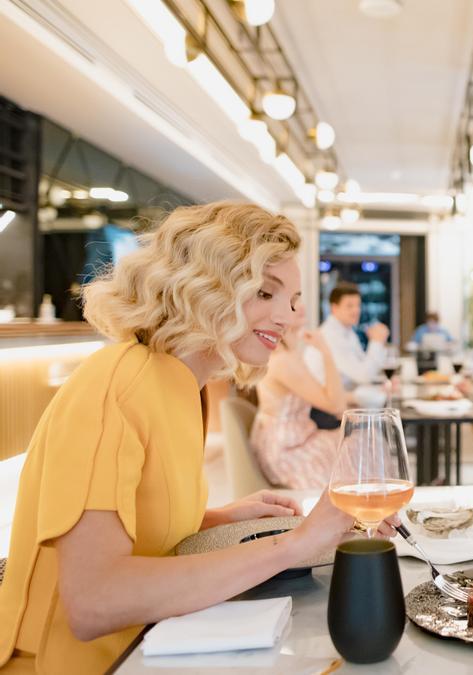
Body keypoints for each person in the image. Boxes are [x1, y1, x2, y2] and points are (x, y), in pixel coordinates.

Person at [0, 203, 401, 674]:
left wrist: (215, 518)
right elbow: (93, 601)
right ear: (207, 287)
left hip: (152, 647)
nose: (289, 317)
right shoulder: (118, 388)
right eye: (265, 293)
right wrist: (294, 546)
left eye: (291, 300)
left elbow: (132, 524)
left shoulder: (178, 385)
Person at [252, 323, 348, 488]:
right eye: (294, 303)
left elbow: (330, 398)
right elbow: (336, 405)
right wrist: (325, 351)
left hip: (297, 438)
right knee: (361, 445)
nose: (301, 308)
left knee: (357, 441)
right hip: (288, 450)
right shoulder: (283, 361)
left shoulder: (287, 355)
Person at [305, 282, 389, 388]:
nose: (356, 310)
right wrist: (376, 341)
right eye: (350, 306)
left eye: (358, 305)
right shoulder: (331, 336)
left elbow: (365, 366)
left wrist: (386, 381)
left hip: (344, 398)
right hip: (326, 402)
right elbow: (363, 376)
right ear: (334, 308)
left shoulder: (347, 331)